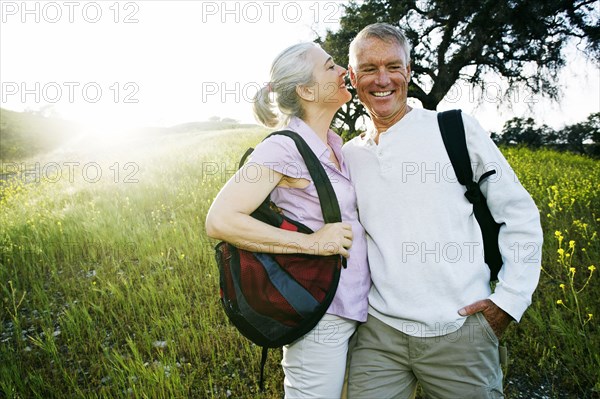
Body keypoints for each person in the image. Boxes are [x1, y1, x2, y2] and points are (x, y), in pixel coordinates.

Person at [342, 23, 544, 398]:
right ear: (353, 77)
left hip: (461, 331)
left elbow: (518, 214)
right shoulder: (349, 155)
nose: (382, 79)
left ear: (409, 71)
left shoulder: (454, 129)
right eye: (369, 69)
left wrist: (509, 301)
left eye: (393, 66)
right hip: (378, 335)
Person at [205, 42, 370, 398]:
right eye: (329, 66)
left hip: (357, 308)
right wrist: (311, 242)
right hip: (321, 312)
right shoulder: (283, 148)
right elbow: (220, 220)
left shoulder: (335, 144)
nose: (344, 70)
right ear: (307, 90)